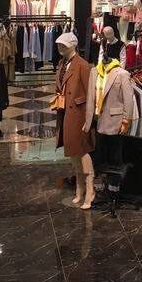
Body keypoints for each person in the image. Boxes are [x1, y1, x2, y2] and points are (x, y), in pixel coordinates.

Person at [53, 32, 96, 208]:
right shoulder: (62, 63)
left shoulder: (83, 65)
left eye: (63, 44)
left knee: (82, 151)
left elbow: (91, 95)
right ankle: (80, 188)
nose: (60, 47)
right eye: (59, 44)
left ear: (73, 45)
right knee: (72, 153)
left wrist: (89, 119)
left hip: (78, 115)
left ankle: (90, 189)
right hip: (65, 113)